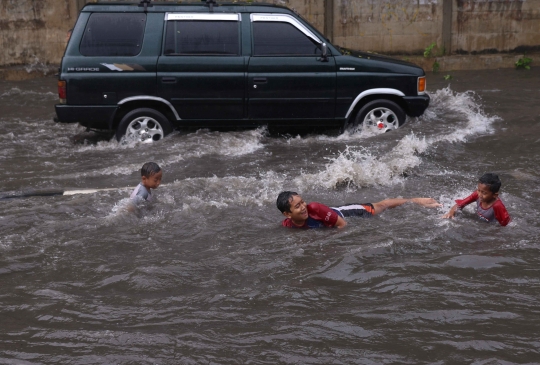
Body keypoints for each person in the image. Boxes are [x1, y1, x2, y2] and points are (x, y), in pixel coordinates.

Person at [276, 191, 441, 229]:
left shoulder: (314, 208)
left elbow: (342, 225)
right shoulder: (287, 225)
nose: (303, 206)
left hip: (349, 212)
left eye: (302, 202)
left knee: (382, 206)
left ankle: (416, 200)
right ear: (287, 214)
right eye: (297, 206)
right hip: (334, 215)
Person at [442, 173, 511, 226]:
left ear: (494, 195)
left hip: (489, 225)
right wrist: (451, 212)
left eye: (484, 193)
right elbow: (460, 204)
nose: (480, 195)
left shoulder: (497, 206)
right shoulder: (477, 194)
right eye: (479, 190)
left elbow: (506, 224)